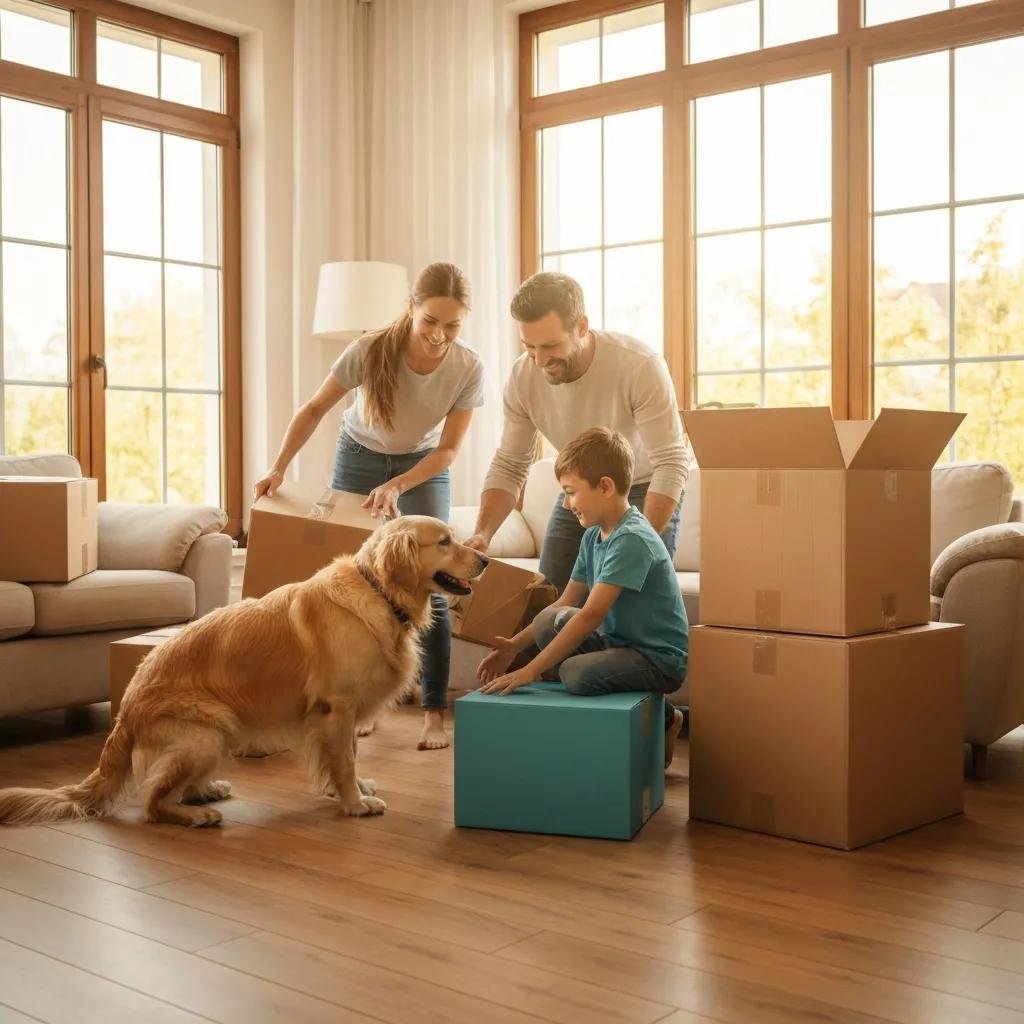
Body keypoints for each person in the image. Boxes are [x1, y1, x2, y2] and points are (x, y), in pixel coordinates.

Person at [253, 262, 483, 750]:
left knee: (434, 584)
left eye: (452, 325)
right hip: (358, 456)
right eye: (430, 322)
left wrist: (400, 484)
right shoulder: (369, 350)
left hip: (423, 465)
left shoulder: (468, 367)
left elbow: (447, 450)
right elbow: (313, 409)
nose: (440, 335)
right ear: (412, 310)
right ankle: (358, 701)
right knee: (356, 584)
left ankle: (434, 712)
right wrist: (278, 468)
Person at [465, 271, 691, 591]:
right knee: (547, 597)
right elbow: (510, 464)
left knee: (630, 601)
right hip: (578, 489)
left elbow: (671, 462)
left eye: (551, 345)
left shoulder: (639, 365)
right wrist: (483, 533)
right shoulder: (522, 377)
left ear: (581, 327)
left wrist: (637, 540)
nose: (540, 360)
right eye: (529, 346)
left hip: (642, 486)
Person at [477, 428, 687, 767]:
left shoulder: (631, 538)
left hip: (657, 657)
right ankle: (652, 710)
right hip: (619, 645)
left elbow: (590, 615)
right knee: (549, 621)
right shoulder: (593, 537)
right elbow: (565, 604)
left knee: (574, 674)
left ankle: (665, 717)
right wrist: (514, 646)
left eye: (570, 492)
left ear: (605, 487)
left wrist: (530, 671)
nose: (565, 504)